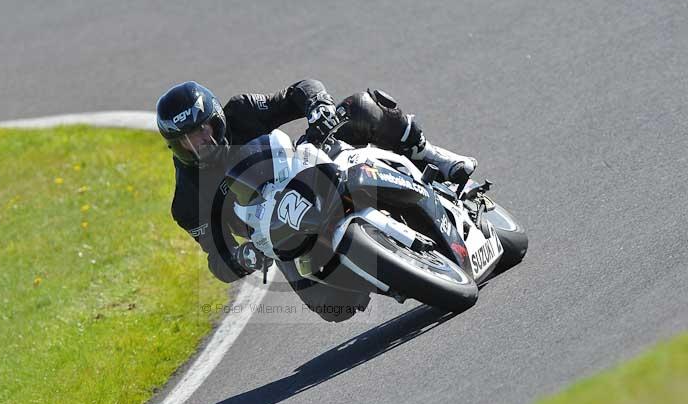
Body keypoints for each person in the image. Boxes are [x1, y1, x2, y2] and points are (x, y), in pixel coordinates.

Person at [155, 79, 477, 321]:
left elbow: (299, 90)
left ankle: (432, 155)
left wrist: (317, 106)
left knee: (358, 108)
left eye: (202, 130)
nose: (199, 143)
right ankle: (397, 271)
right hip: (284, 233)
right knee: (332, 307)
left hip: (305, 167)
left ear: (217, 118)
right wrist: (242, 257)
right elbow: (217, 258)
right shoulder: (187, 201)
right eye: (184, 141)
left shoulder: (242, 111)